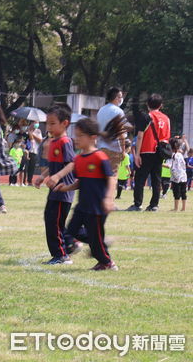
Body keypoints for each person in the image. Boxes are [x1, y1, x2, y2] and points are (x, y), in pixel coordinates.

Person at [53, 118, 118, 271]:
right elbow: (80, 182)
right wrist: (66, 188)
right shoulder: (79, 159)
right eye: (76, 135)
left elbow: (111, 179)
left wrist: (108, 199)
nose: (76, 139)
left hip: (96, 207)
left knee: (95, 240)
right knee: (69, 232)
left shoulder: (99, 157)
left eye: (80, 135)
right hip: (82, 206)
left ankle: (107, 262)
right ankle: (98, 246)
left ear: (93, 137)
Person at [34, 103, 75, 265]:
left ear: (65, 123)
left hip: (63, 190)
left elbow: (71, 164)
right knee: (50, 219)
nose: (48, 127)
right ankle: (68, 246)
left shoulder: (65, 142)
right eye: (47, 123)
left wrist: (57, 176)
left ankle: (62, 255)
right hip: (54, 190)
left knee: (55, 222)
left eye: (52, 123)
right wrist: (42, 176)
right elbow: (53, 166)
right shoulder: (54, 142)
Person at [126, 94, 171, 212]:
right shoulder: (167, 119)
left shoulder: (146, 117)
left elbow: (140, 136)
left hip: (146, 151)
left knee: (140, 178)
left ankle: (137, 204)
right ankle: (154, 205)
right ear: (161, 105)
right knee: (156, 179)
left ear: (147, 104)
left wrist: (137, 154)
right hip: (160, 152)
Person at [97, 88, 126, 174]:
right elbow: (121, 133)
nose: (121, 99)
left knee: (102, 175)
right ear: (116, 98)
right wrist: (123, 151)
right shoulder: (119, 111)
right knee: (112, 177)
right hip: (113, 149)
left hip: (100, 147)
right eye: (120, 97)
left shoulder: (101, 110)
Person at [168, 137, 188, 211]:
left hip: (176, 177)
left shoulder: (172, 155)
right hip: (183, 176)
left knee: (176, 193)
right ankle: (183, 208)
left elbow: (169, 165)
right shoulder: (180, 155)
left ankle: (176, 208)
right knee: (183, 192)